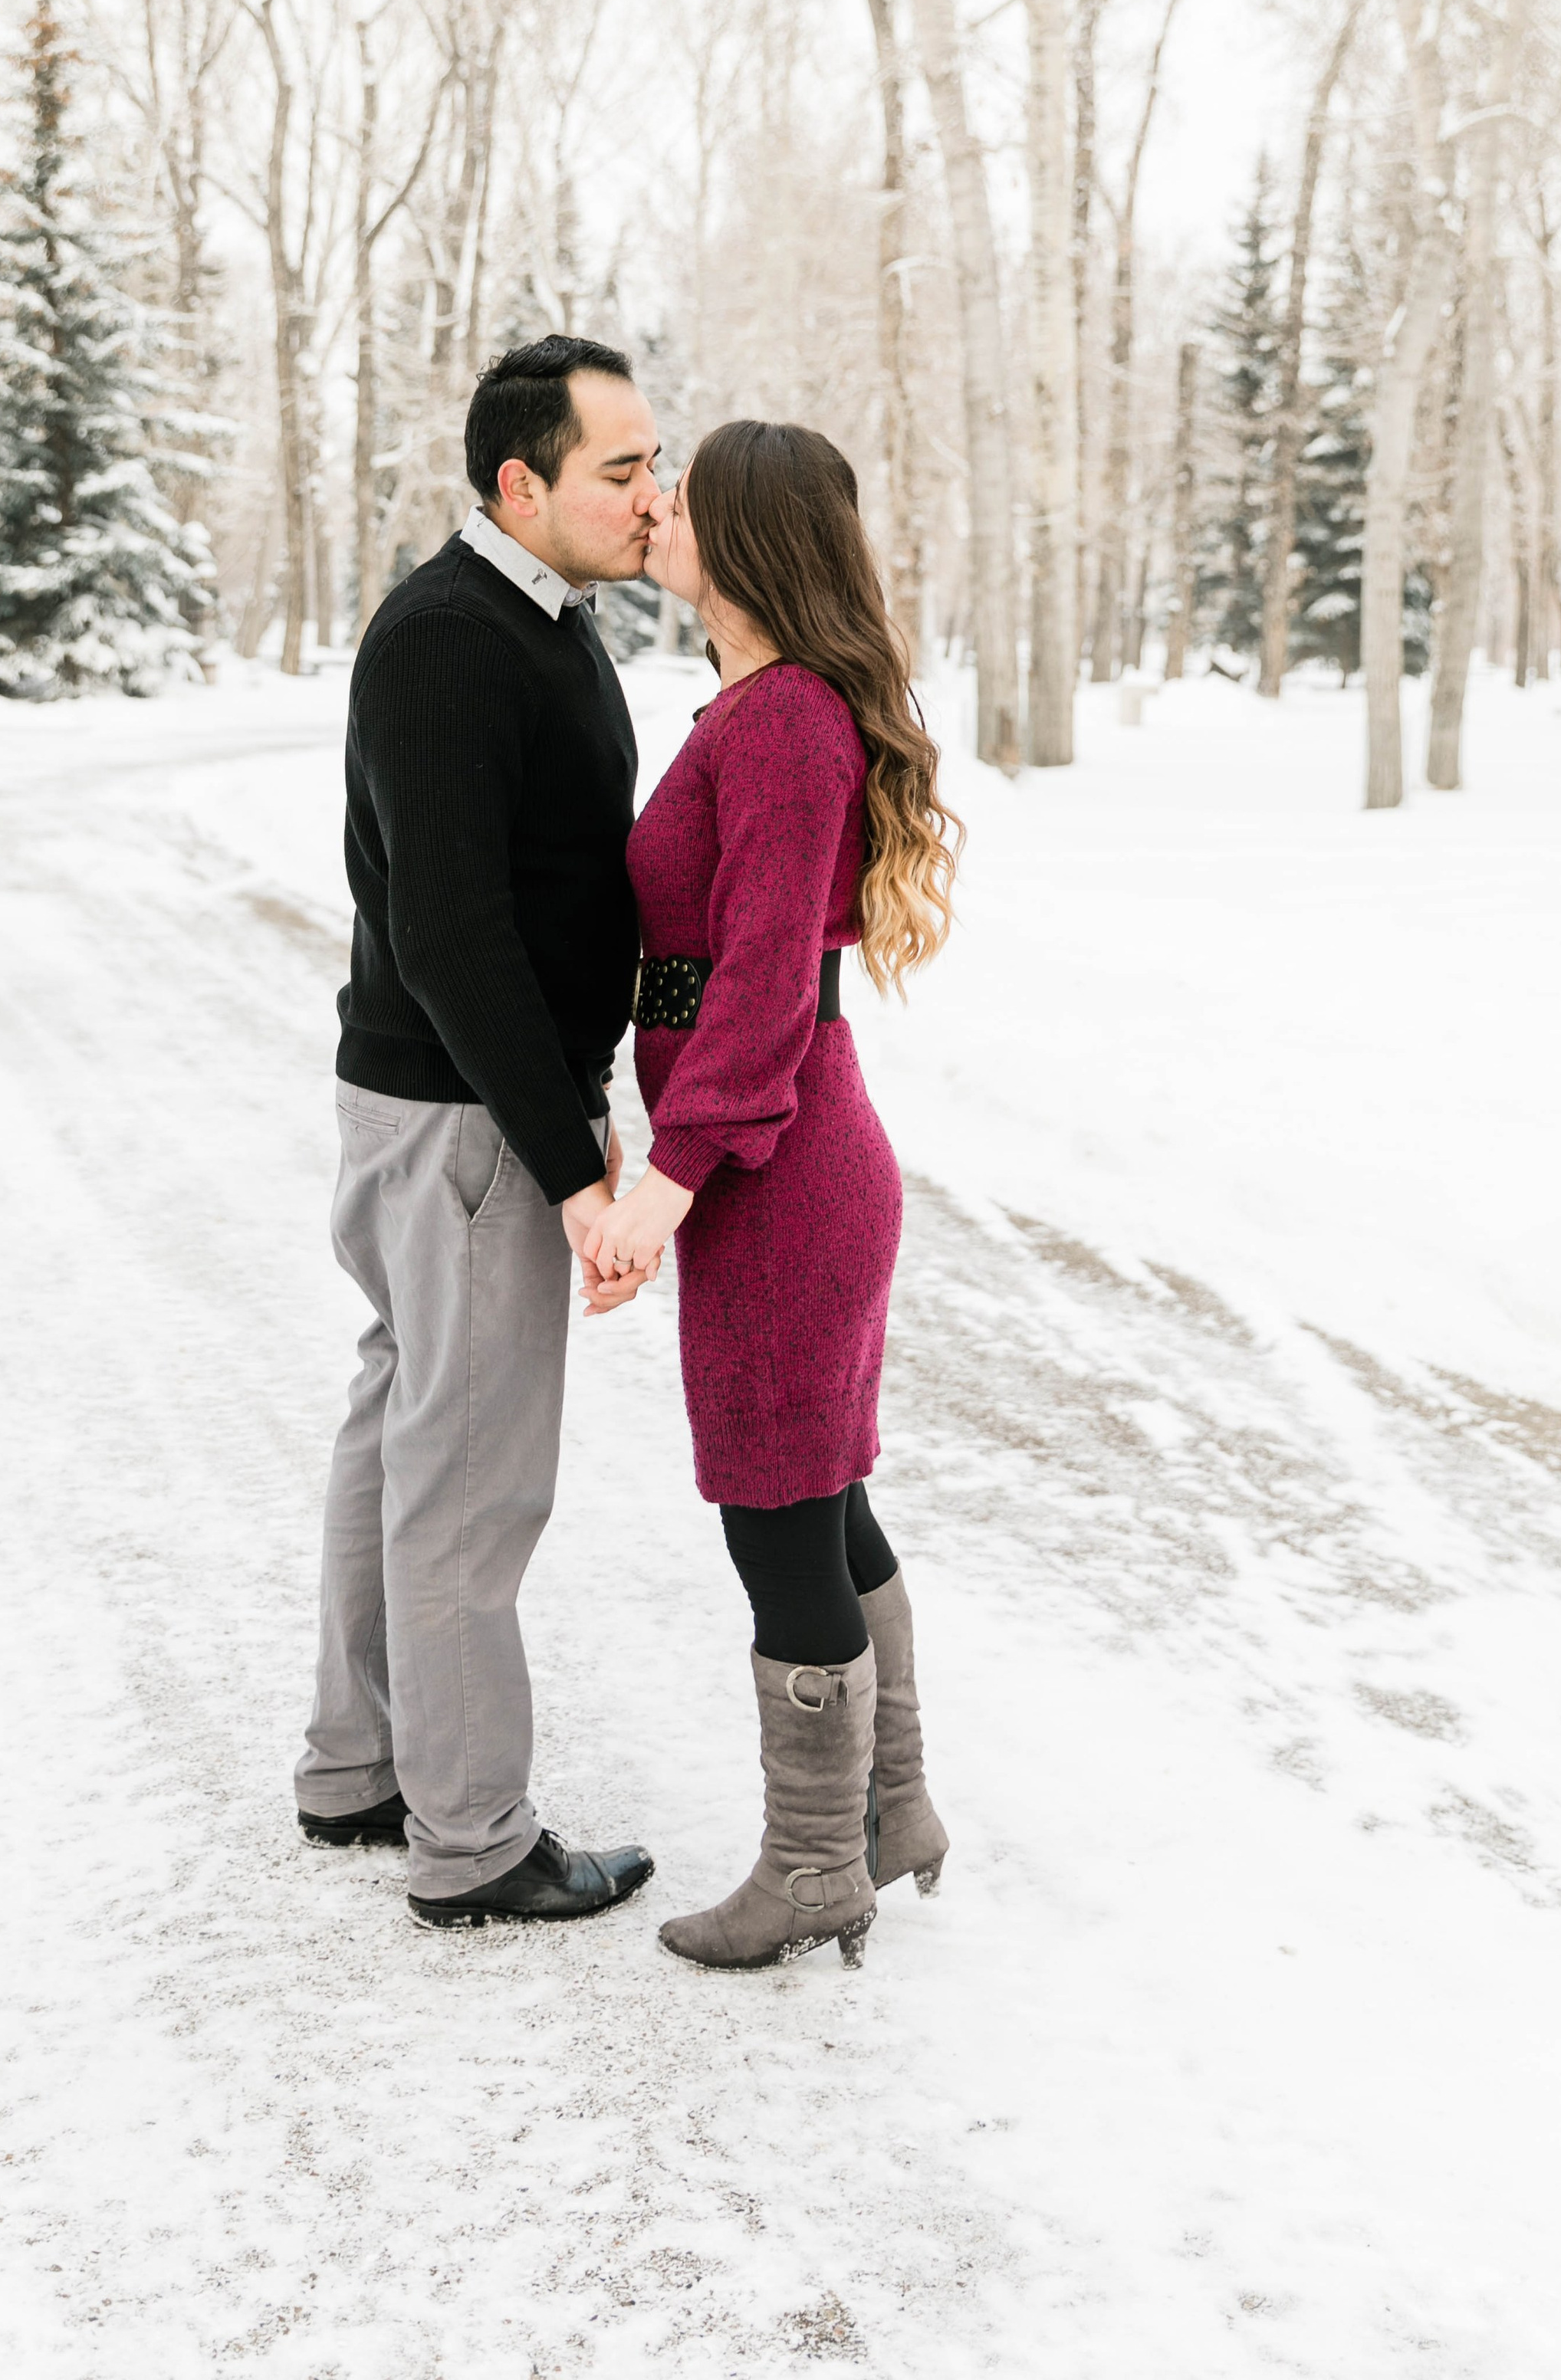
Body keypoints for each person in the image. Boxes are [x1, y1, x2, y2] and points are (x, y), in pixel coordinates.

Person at [582, 421, 961, 1972]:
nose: (655, 514)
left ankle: (816, 1867)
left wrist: (661, 1188)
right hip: (783, 1158)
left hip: (777, 1168)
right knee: (821, 1491)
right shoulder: (756, 708)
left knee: (777, 1513)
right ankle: (893, 1808)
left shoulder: (788, 720)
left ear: (743, 540)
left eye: (681, 501)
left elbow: (751, 985)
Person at [295, 334, 662, 1929]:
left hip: (442, 1105)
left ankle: (359, 1766)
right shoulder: (451, 638)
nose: (656, 493)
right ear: (522, 484)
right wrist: (574, 1166)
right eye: (623, 468)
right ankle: (470, 1835)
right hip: (461, 1120)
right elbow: (450, 938)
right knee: (466, 1473)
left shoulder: (542, 621)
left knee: (404, 1430)